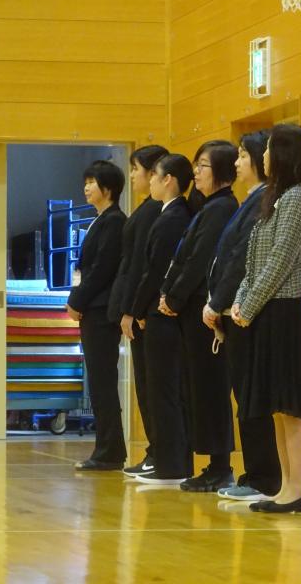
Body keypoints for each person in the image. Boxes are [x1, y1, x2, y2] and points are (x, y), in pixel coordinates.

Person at [231, 123, 301, 513]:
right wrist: (240, 300)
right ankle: (286, 486)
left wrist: (248, 307)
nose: (263, 156)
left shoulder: (298, 197)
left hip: (284, 310)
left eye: (268, 149)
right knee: (277, 407)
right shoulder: (275, 198)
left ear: (284, 154)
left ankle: (298, 488)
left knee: (291, 406)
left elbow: (281, 260)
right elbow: (254, 261)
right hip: (265, 310)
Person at [202, 130, 283, 502]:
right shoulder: (249, 201)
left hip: (246, 311)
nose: (237, 163)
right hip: (234, 311)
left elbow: (240, 261)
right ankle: (255, 472)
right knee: (243, 396)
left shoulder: (264, 201)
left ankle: (264, 476)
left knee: (252, 397)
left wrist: (218, 302)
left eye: (243, 156)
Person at [157, 141, 240, 493]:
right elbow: (184, 256)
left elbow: (201, 259)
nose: (196, 172)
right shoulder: (208, 207)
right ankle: (213, 464)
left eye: (203, 165)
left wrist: (174, 296)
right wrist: (169, 292)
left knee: (211, 388)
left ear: (221, 170)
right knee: (198, 387)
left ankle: (220, 466)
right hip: (191, 311)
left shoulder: (222, 207)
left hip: (205, 313)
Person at [129, 154, 194, 485]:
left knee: (164, 390)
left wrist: (138, 309)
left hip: (163, 314)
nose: (150, 181)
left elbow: (155, 271)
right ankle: (170, 461)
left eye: (154, 175)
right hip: (158, 311)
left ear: (168, 180)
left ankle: (171, 464)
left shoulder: (173, 218)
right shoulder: (169, 214)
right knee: (162, 389)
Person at [108, 145, 168, 478]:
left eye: (136, 169)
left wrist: (131, 309)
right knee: (145, 385)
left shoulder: (155, 212)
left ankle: (160, 451)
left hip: (144, 310)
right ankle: (154, 449)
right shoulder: (147, 209)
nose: (132, 175)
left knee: (152, 386)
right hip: (137, 306)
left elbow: (144, 267)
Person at [68, 160, 127, 470]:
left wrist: (77, 300)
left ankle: (110, 451)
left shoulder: (114, 221)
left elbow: (102, 268)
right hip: (93, 308)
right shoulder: (100, 219)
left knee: (103, 381)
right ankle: (107, 448)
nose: (86, 187)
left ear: (109, 188)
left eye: (92, 182)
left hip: (101, 310)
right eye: (86, 181)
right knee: (99, 380)